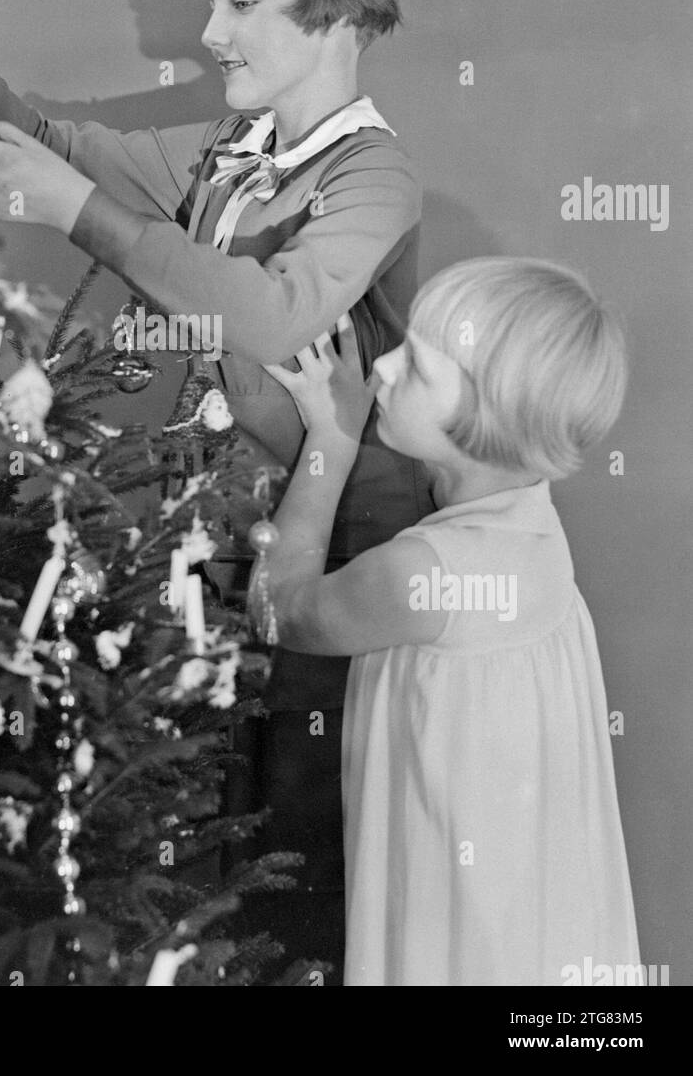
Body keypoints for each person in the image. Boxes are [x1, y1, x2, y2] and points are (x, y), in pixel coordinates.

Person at [0, 0, 434, 974]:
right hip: (219, 550)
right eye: (211, 2)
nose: (209, 33)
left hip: (343, 561)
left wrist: (74, 212)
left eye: (242, 1)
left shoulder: (371, 176)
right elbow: (45, 137)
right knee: (201, 833)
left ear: (338, 24)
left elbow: (273, 311)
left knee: (301, 852)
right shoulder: (224, 154)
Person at [257, 257, 641, 985]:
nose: (384, 366)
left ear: (484, 422)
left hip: (463, 934)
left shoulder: (419, 575)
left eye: (420, 366)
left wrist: (332, 438)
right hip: (532, 927)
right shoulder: (532, 528)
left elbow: (282, 610)